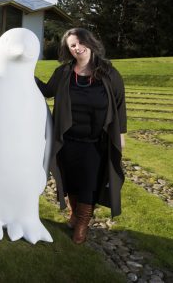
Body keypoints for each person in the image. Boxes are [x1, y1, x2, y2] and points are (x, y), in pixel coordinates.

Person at [35, 28, 126, 244]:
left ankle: (83, 223)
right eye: (72, 46)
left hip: (95, 141)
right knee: (70, 180)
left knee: (89, 182)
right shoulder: (64, 72)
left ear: (90, 42)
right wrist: (22, 72)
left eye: (79, 42)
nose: (77, 48)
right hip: (67, 139)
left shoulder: (109, 73)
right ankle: (75, 214)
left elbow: (120, 105)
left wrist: (121, 134)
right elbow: (47, 90)